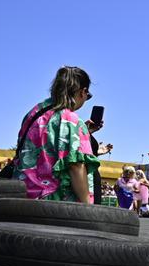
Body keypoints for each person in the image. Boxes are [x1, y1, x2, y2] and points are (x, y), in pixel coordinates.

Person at [12, 66, 99, 203]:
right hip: (55, 204)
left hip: (21, 197)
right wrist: (87, 206)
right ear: (83, 92)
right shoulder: (72, 121)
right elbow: (76, 167)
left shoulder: (33, 113)